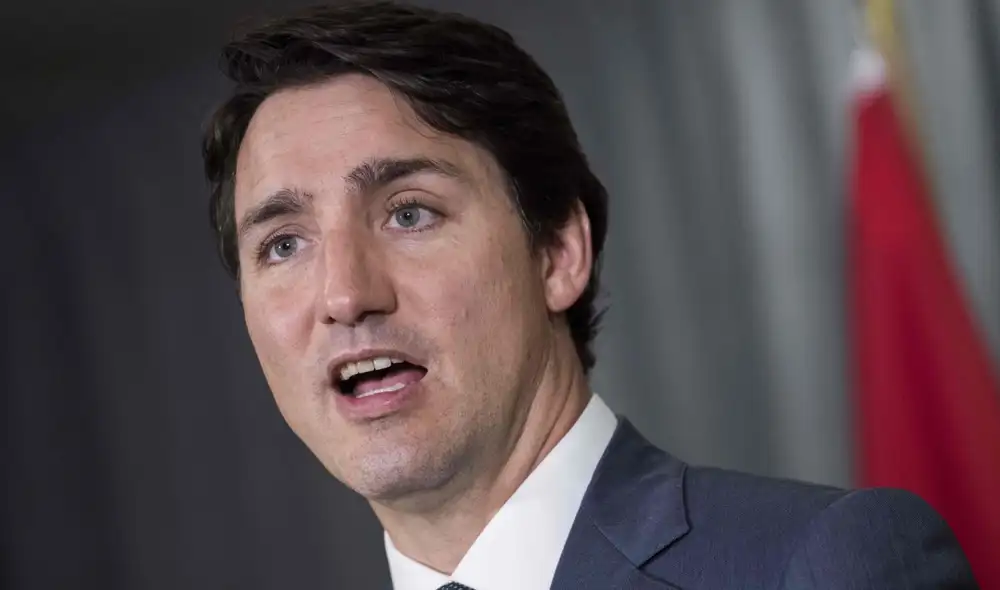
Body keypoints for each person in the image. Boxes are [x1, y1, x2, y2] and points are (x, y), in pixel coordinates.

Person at [201, 2, 976, 588]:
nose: (344, 293)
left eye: (410, 213)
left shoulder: (830, 566)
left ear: (559, 253)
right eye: (283, 245)